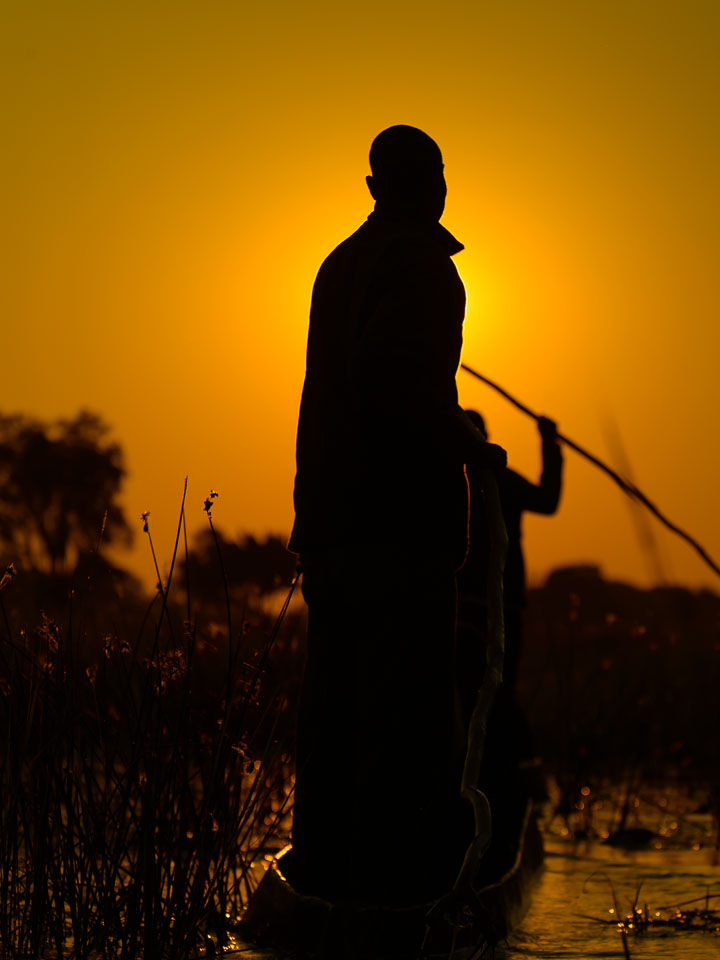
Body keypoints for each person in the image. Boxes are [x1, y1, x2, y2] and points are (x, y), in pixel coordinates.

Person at [288, 125, 505, 906]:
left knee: (334, 714)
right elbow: (395, 384)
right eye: (435, 174)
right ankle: (398, 897)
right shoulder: (421, 268)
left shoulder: (338, 265)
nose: (440, 186)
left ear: (376, 187)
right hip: (399, 532)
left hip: (333, 524)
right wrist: (471, 446)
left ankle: (321, 882)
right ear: (427, 185)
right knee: (408, 724)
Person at [456, 411, 563, 760]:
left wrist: (550, 446)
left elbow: (547, 502)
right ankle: (498, 765)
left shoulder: (479, 479)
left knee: (486, 690)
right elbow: (547, 500)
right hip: (474, 605)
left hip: (497, 605)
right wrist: (549, 444)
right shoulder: (454, 480)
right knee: (483, 690)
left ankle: (505, 766)